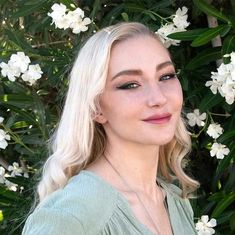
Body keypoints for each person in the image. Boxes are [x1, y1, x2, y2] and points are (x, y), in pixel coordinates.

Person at [22, 22, 199, 235]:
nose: (159, 98)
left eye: (166, 76)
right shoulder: (72, 217)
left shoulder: (176, 201)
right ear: (96, 108)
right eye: (130, 85)